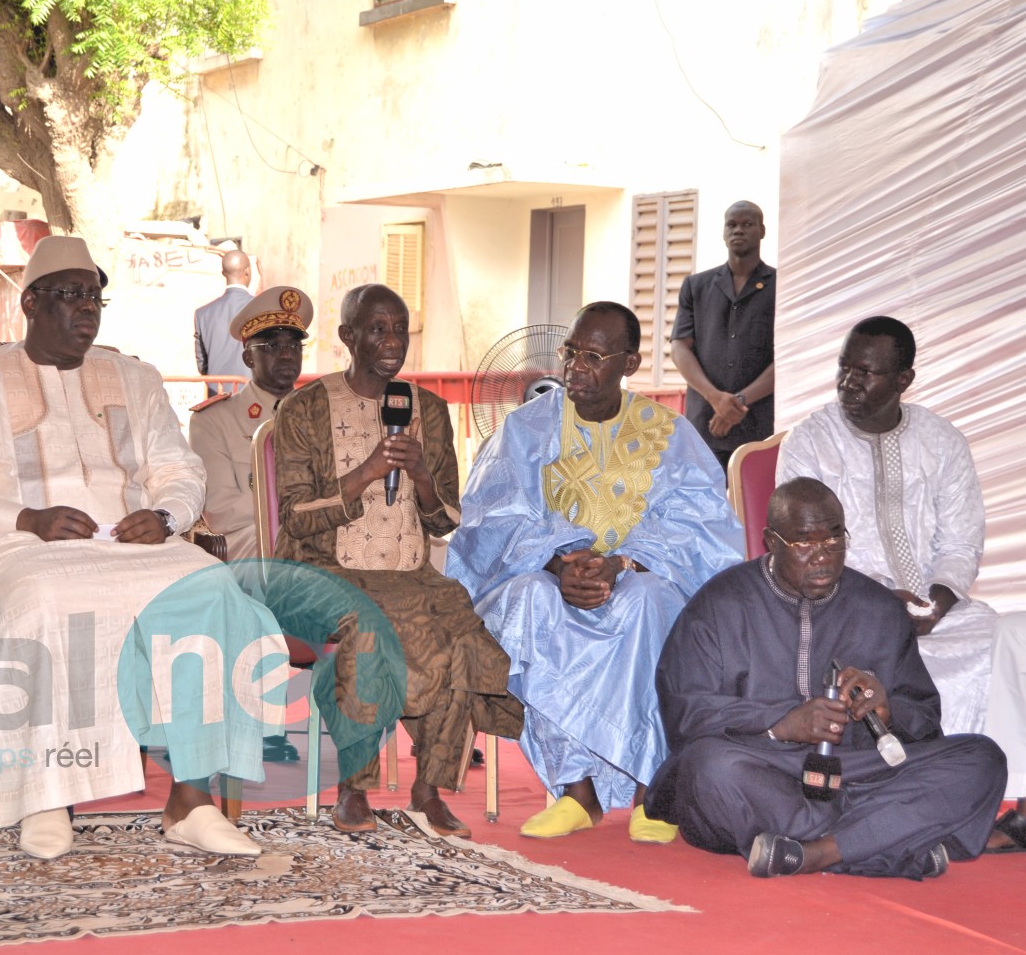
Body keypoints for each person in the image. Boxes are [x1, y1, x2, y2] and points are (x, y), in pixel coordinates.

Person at [0, 235, 284, 859]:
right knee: (47, 597)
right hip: (25, 545)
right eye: (71, 296)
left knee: (215, 590)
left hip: (134, 539)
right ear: (31, 302)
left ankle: (191, 799)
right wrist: (24, 516)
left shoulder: (134, 377)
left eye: (94, 297)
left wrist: (166, 515)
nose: (87, 309)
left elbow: (179, 467)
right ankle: (45, 796)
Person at [448, 301, 742, 842]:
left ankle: (651, 789)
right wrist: (559, 561)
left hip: (635, 573)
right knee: (531, 602)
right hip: (545, 571)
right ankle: (575, 790)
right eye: (570, 353)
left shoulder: (667, 433)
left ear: (629, 365)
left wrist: (621, 561)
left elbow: (701, 526)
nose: (575, 368)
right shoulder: (527, 428)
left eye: (594, 356)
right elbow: (492, 515)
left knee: (651, 602)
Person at [646, 477, 1006, 879]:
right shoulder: (719, 605)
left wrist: (889, 714)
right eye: (804, 543)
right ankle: (887, 844)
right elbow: (684, 713)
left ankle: (817, 852)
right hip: (767, 770)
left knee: (982, 759)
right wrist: (780, 725)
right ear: (771, 541)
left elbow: (925, 719)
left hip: (860, 772)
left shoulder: (880, 610)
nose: (823, 556)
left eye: (835, 540)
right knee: (709, 768)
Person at [273, 283, 524, 838]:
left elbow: (446, 520)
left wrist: (423, 479)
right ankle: (354, 788)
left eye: (399, 330)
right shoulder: (305, 409)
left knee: (462, 633)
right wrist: (364, 473)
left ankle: (428, 787)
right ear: (347, 337)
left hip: (408, 571)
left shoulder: (427, 411)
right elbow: (294, 517)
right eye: (377, 329)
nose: (392, 342)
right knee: (369, 628)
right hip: (320, 569)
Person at [776, 315, 1026, 854]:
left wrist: (936, 603)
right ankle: (905, 807)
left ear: (903, 381)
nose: (848, 383)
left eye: (865, 373)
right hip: (843, 611)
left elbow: (963, 542)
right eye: (844, 368)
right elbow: (801, 545)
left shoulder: (942, 441)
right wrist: (877, 605)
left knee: (1009, 642)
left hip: (937, 612)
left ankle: (1013, 807)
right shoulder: (811, 442)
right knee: (897, 675)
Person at [189, 285, 312, 561]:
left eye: (294, 345)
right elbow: (220, 510)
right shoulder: (213, 421)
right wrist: (300, 506)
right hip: (250, 539)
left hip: (314, 531)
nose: (286, 354)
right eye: (272, 346)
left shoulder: (318, 415)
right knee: (293, 545)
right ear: (248, 357)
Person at [670, 201, 776, 472]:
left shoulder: (781, 285)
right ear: (723, 232)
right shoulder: (696, 286)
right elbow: (680, 347)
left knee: (753, 509)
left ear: (762, 230)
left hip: (759, 426)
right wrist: (715, 397)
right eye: (732, 224)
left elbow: (787, 356)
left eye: (747, 224)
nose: (738, 230)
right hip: (705, 423)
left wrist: (739, 401)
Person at [193, 248, 255, 394]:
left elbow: (202, 365)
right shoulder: (262, 308)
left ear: (223, 274)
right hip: (252, 400)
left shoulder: (202, 314)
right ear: (247, 271)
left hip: (217, 398)